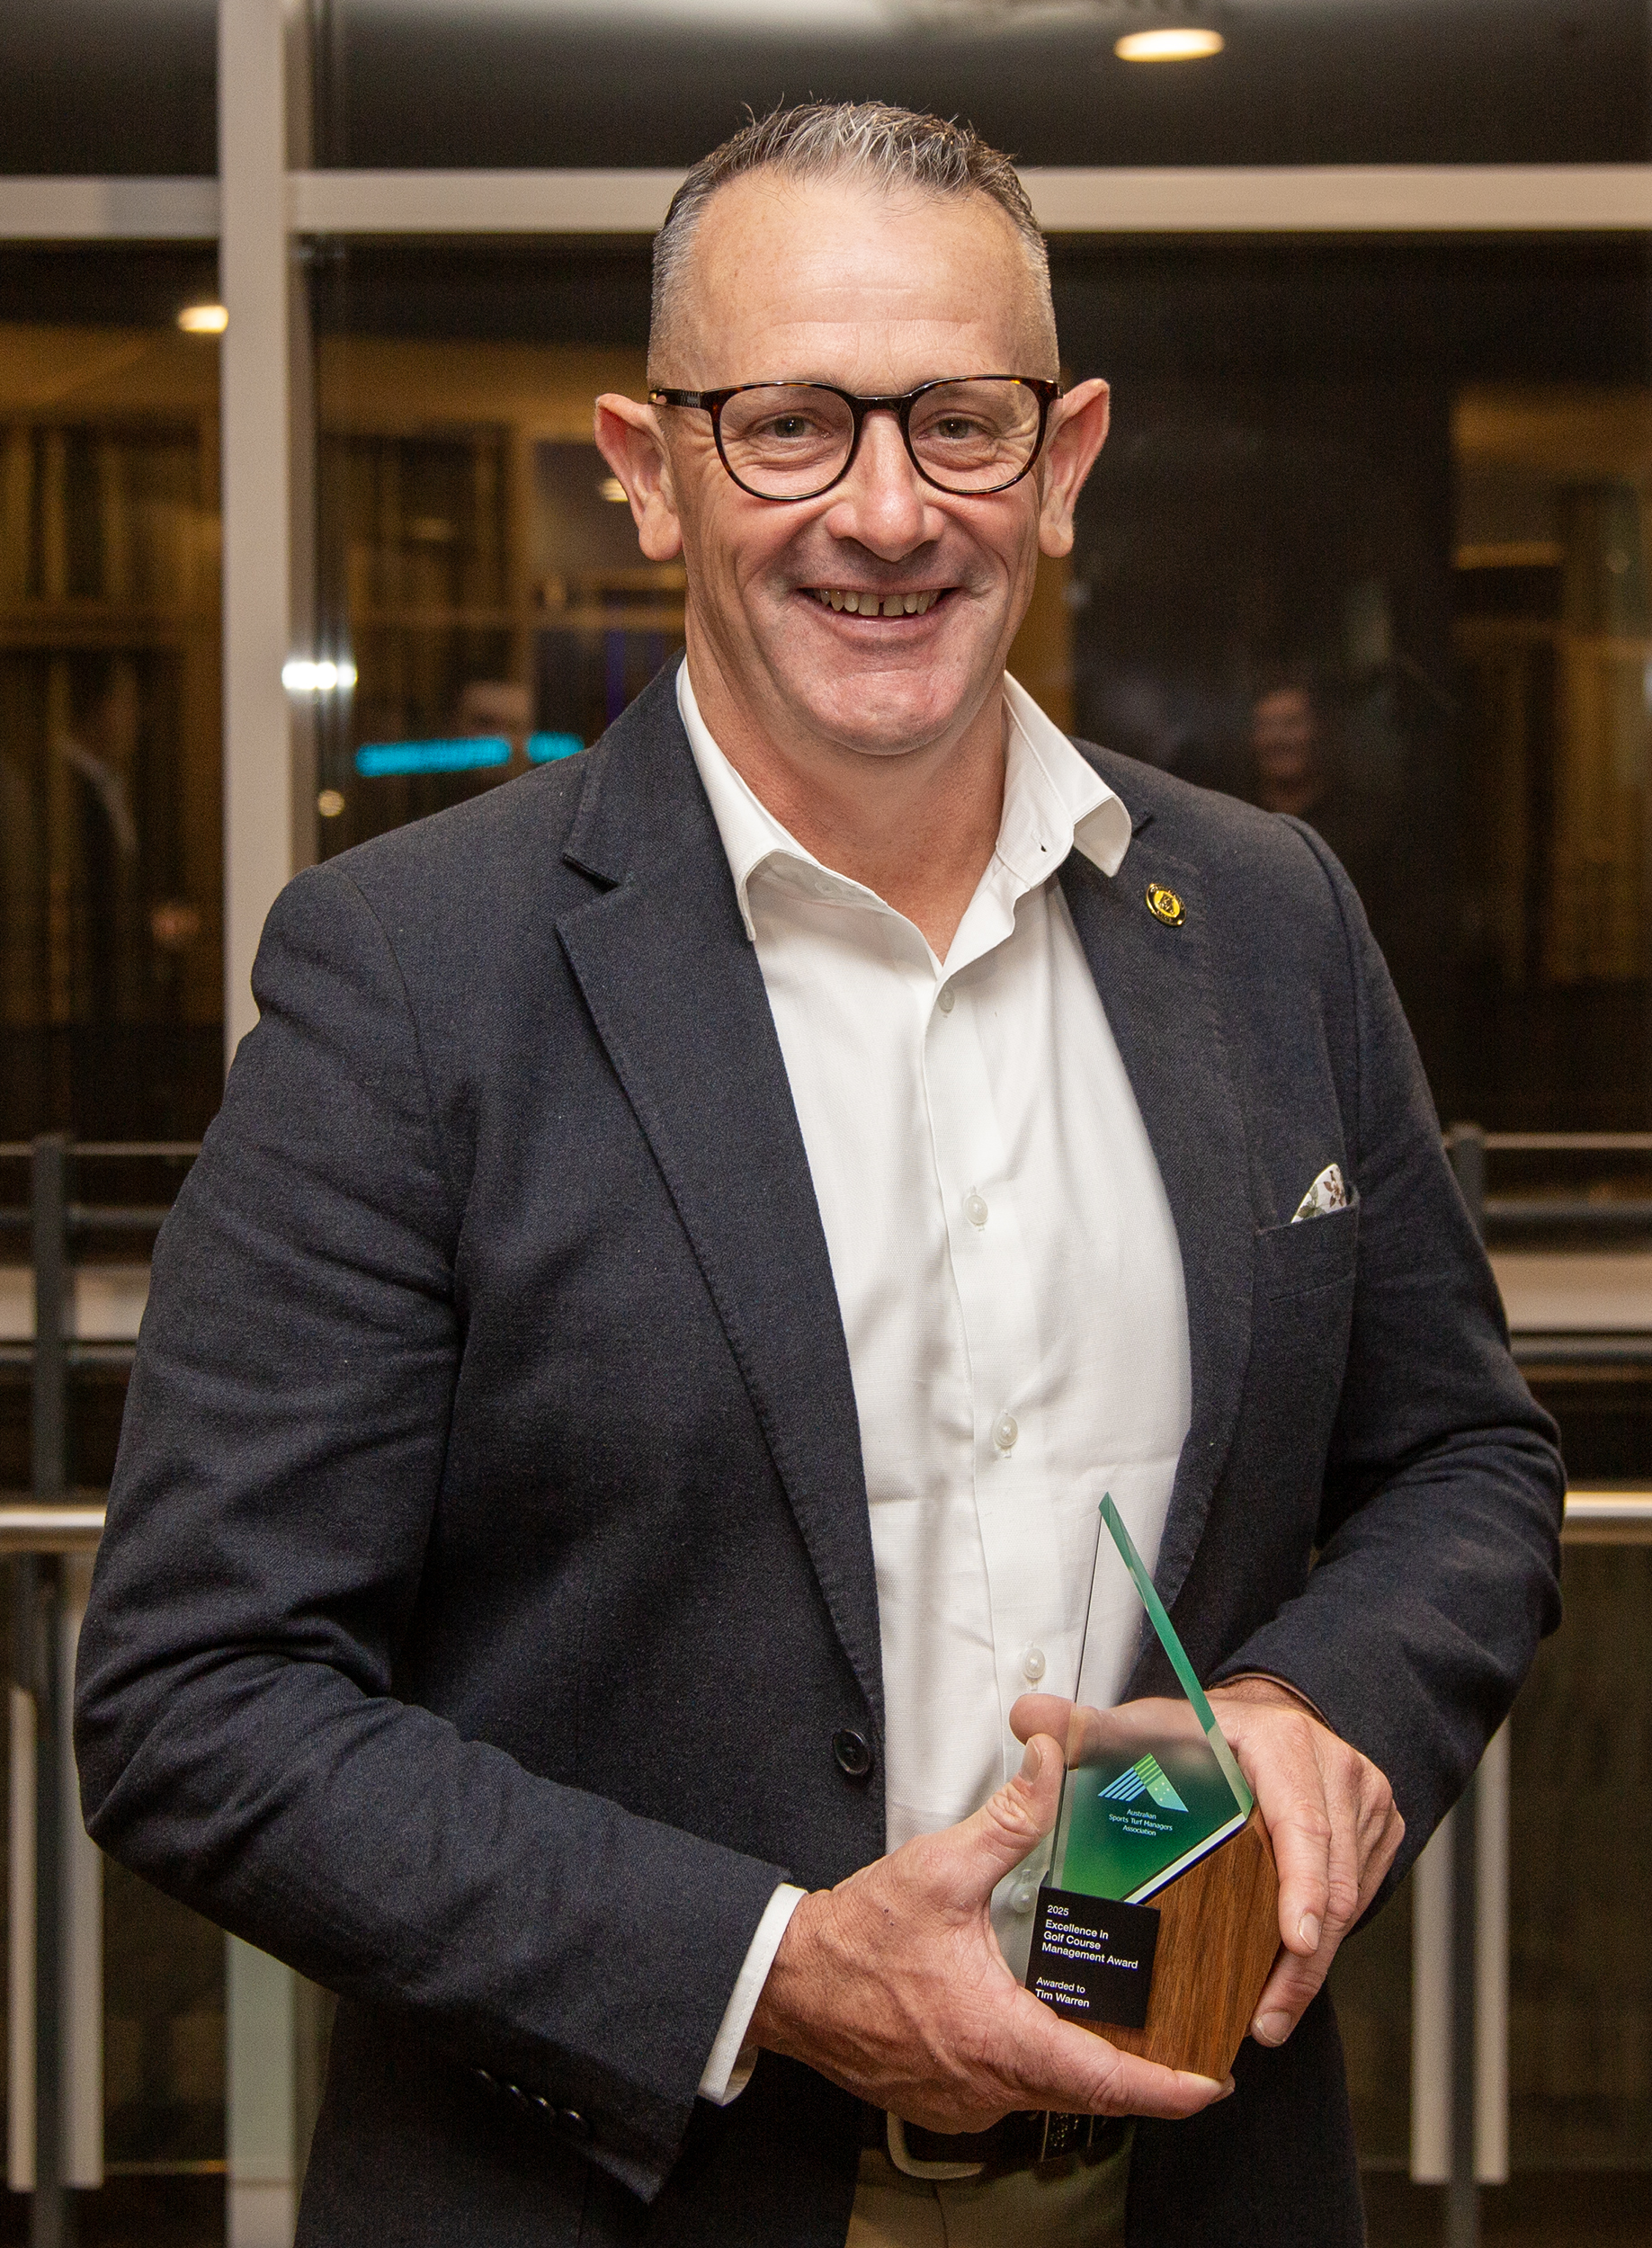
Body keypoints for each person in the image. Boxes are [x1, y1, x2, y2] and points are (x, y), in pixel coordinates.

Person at [75, 104, 1563, 2248]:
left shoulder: (1264, 918)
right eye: (785, 424)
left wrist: (1313, 1705)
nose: (884, 511)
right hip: (621, 2196)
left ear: (1062, 459)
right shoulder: (411, 973)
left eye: (960, 422)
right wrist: (770, 1966)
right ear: (645, 466)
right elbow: (195, 1697)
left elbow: (1460, 1460)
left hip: (1190, 2180)